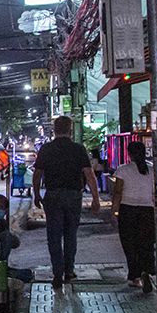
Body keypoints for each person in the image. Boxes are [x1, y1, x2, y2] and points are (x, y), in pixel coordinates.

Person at [32, 116, 101, 290]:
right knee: (71, 234)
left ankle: (57, 272)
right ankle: (69, 271)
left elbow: (37, 174)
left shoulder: (46, 149)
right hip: (73, 196)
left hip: (53, 195)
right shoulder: (78, 149)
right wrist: (95, 198)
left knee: (54, 236)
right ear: (70, 130)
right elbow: (89, 174)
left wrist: (36, 194)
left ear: (54, 130)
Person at [111, 139, 157, 293]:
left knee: (130, 244)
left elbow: (118, 192)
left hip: (128, 210)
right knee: (146, 243)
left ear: (129, 154)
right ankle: (147, 270)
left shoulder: (123, 170)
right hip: (147, 211)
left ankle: (135, 276)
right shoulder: (152, 170)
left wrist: (114, 212)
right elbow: (154, 193)